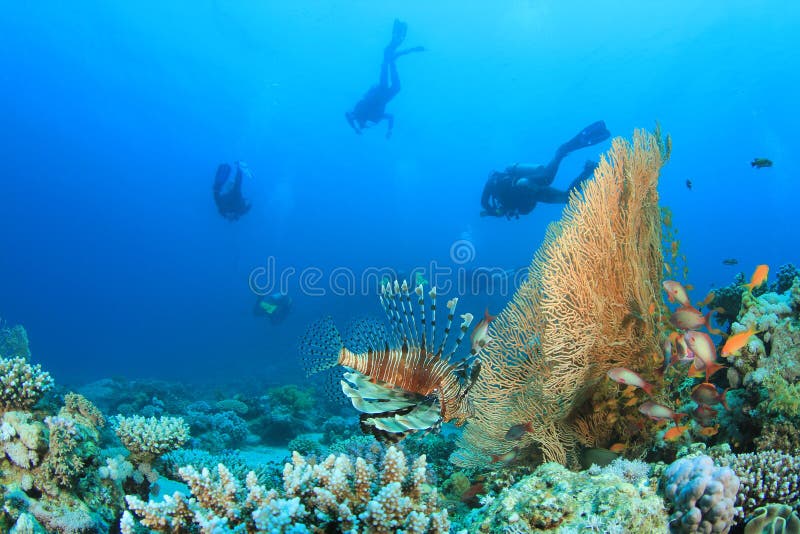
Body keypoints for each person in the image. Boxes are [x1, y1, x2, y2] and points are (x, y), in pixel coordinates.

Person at [480, 121, 611, 219]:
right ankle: (588, 170)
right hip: (532, 195)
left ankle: (561, 151)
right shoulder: (504, 203)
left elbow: (484, 203)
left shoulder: (492, 184)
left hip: (522, 184)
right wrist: (493, 213)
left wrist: (492, 212)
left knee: (547, 178)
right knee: (567, 198)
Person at [346, 19, 424, 138]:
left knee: (385, 65)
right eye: (364, 125)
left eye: (362, 124)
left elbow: (348, 115)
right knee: (397, 85)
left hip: (379, 92)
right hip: (386, 97)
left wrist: (355, 128)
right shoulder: (374, 118)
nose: (364, 124)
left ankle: (392, 49)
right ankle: (394, 57)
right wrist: (390, 130)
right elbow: (390, 117)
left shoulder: (358, 114)